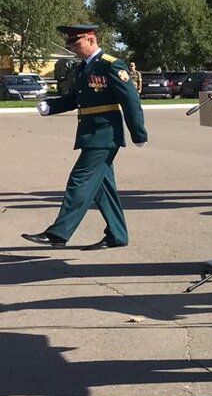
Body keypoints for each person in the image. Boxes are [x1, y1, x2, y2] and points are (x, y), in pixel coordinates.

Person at [21, 24, 148, 250]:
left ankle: (58, 233)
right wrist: (51, 106)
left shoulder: (111, 65)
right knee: (102, 187)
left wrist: (138, 132)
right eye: (70, 44)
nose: (73, 48)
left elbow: (130, 100)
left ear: (91, 39)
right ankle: (117, 235)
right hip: (91, 134)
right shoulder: (83, 68)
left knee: (79, 180)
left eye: (76, 43)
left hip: (105, 135)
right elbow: (76, 99)